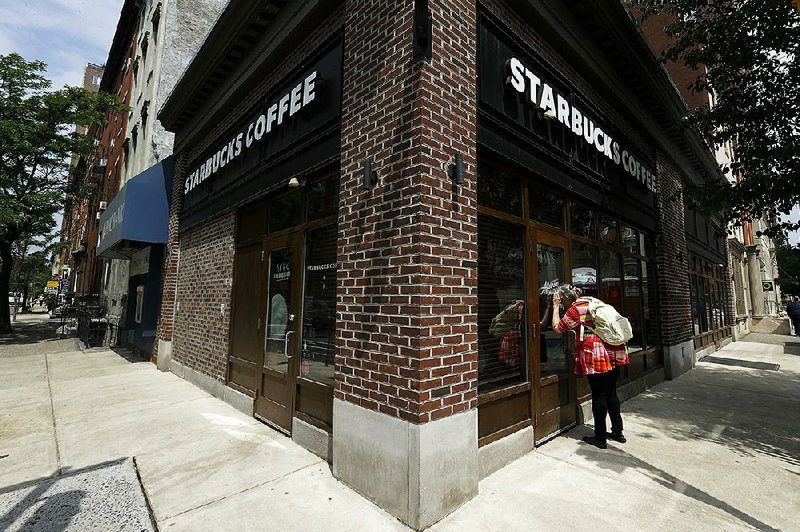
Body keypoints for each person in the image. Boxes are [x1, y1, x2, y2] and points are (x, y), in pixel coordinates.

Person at [551, 284, 629, 449]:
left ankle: (600, 438)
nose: (562, 303)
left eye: (561, 300)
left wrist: (555, 307)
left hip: (597, 352)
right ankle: (618, 432)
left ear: (564, 298)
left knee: (598, 394)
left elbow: (557, 328)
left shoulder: (575, 309)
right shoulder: (594, 301)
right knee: (611, 392)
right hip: (615, 348)